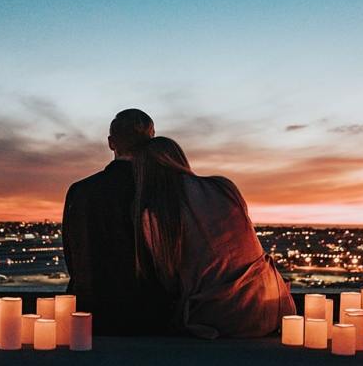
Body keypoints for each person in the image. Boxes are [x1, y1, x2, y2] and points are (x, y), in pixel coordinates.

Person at [132, 136, 296, 338]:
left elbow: (169, 281)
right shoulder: (224, 187)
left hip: (223, 317)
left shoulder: (157, 215)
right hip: (274, 305)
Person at [62, 109, 172, 335]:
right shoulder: (162, 190)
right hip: (150, 314)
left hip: (91, 312)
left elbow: (73, 257)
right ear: (151, 141)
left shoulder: (80, 191)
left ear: (111, 143)